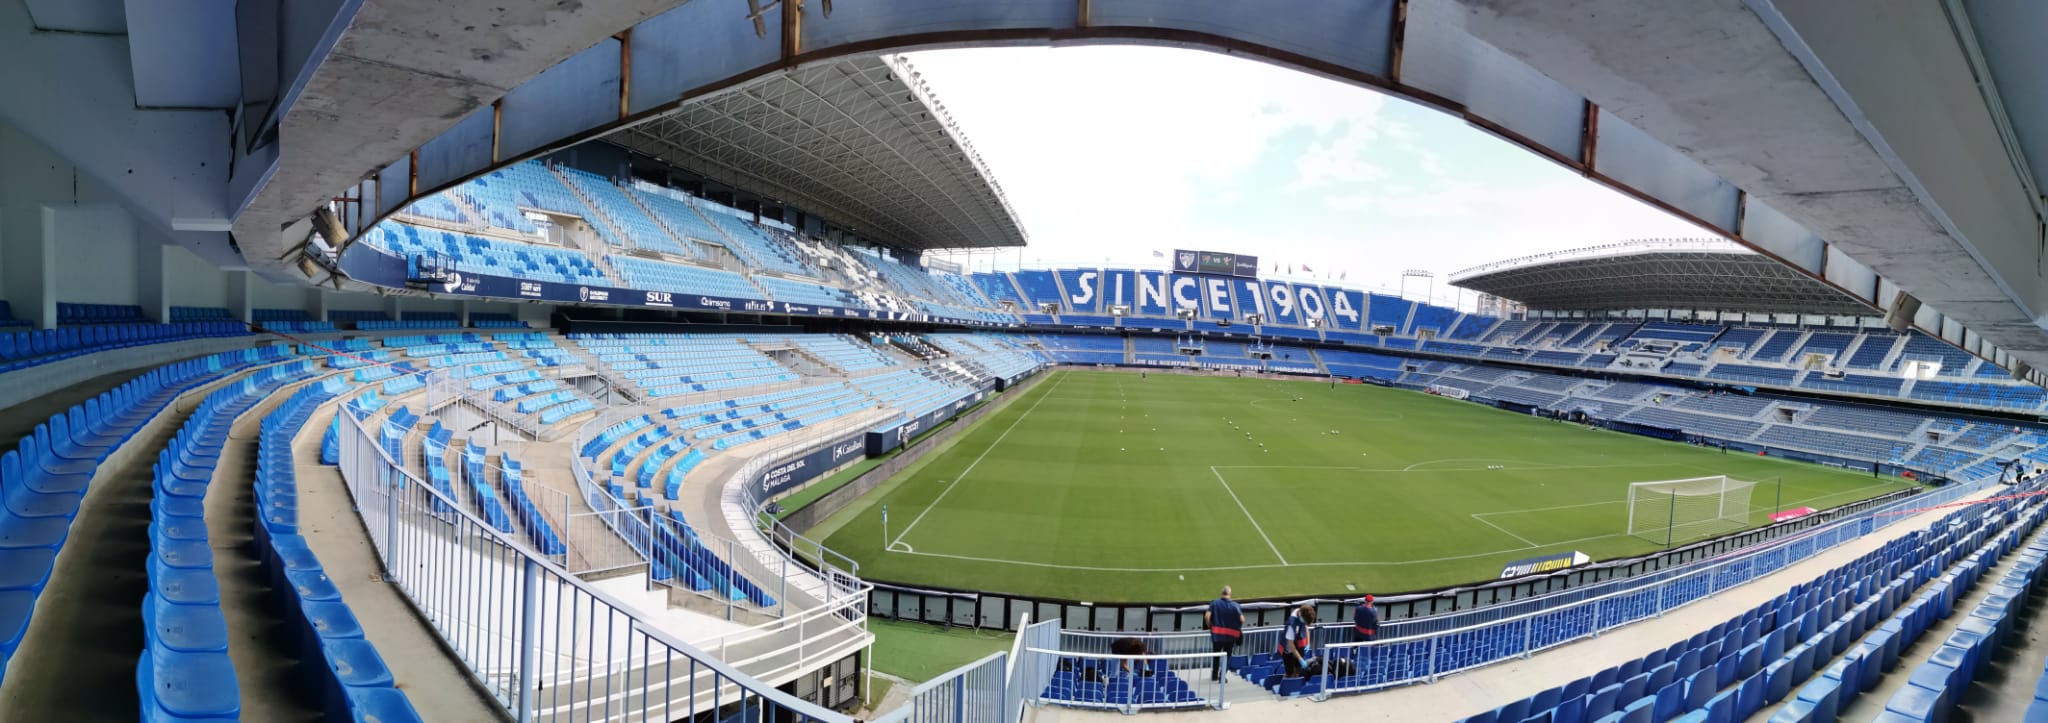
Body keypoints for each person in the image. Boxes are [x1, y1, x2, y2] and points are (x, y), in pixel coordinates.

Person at [1204, 586, 1243, 681]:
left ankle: (1214, 675)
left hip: (1217, 634)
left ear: (1222, 593)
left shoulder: (1215, 603)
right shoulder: (1235, 605)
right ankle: (1222, 676)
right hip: (1230, 636)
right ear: (1230, 594)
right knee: (1227, 655)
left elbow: (1207, 617)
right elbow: (1242, 619)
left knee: (1216, 655)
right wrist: (1237, 628)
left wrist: (1210, 626)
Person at [1278, 603, 1316, 678]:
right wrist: (1300, 659)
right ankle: (1286, 685)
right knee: (1290, 673)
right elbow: (1290, 644)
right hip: (1288, 650)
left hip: (1299, 646)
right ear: (1300, 615)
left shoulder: (1302, 614)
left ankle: (1295, 683)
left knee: (1298, 671)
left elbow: (1306, 629)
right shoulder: (1291, 624)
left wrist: (1308, 643)